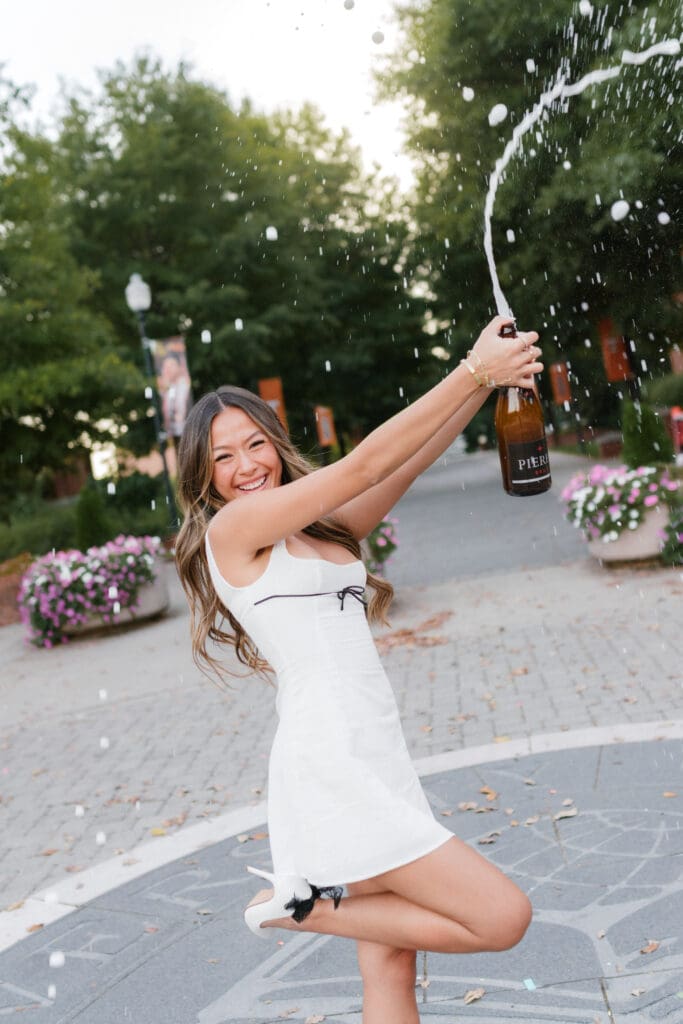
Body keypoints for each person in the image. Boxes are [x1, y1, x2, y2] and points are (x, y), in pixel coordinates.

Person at [175, 315, 541, 1024]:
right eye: (224, 457)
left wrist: (486, 384)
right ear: (203, 477)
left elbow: (402, 464)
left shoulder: (320, 532)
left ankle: (304, 904)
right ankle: (295, 908)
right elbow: (363, 463)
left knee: (391, 966)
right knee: (501, 917)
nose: (247, 465)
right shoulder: (232, 533)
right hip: (331, 762)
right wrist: (471, 369)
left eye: (256, 443)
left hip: (376, 753)